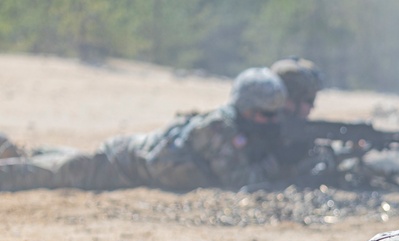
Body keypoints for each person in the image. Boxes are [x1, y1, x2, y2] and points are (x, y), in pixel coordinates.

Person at [0, 67, 289, 193]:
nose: (271, 121)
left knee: (66, 162)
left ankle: (12, 150)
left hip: (128, 156)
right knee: (50, 174)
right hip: (122, 165)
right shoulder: (219, 129)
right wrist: (282, 161)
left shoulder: (235, 126)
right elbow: (236, 179)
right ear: (246, 107)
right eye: (266, 114)